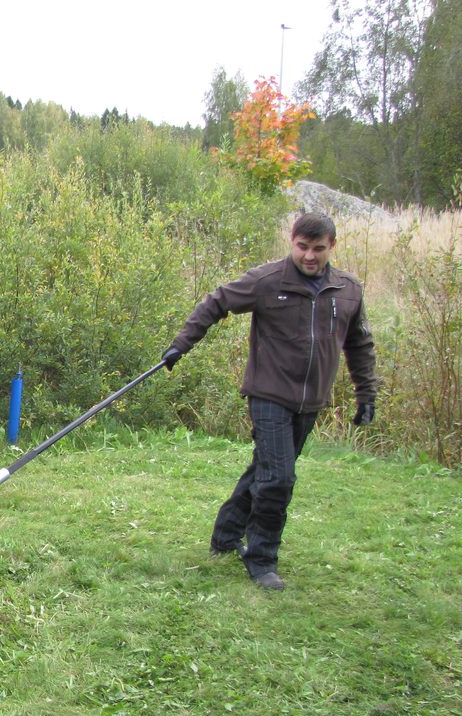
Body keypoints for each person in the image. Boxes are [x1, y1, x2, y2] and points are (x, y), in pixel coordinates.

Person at [162, 212, 377, 591]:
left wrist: (366, 392)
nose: (310, 256)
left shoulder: (347, 290)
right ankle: (261, 559)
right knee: (278, 478)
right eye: (302, 247)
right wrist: (181, 345)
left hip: (311, 401)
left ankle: (226, 536)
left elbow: (359, 344)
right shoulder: (267, 281)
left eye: (318, 249)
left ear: (333, 247)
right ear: (292, 241)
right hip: (268, 393)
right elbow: (217, 302)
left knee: (266, 469)